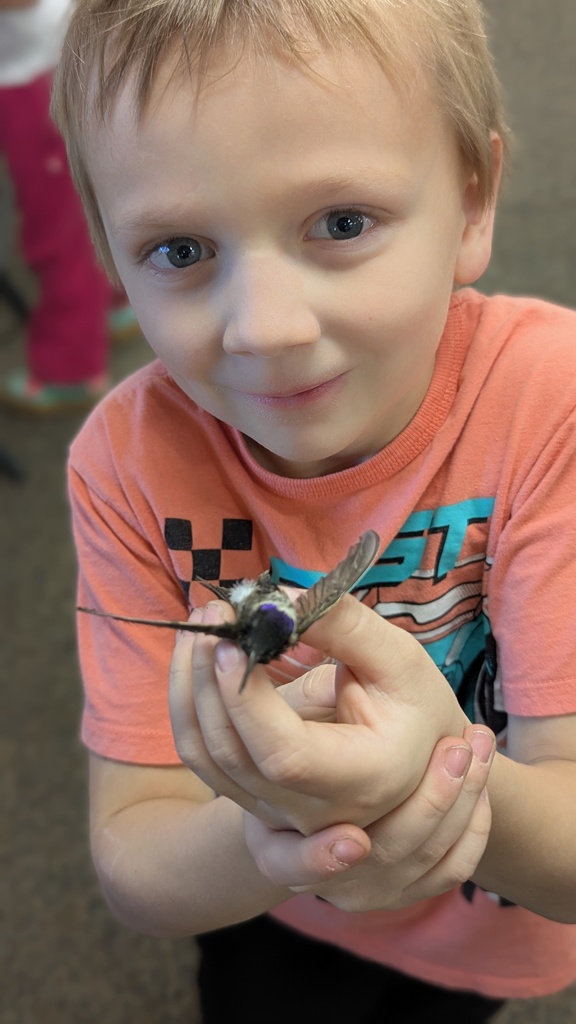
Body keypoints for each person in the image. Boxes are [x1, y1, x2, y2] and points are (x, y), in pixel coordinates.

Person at [52, 0, 576, 1020]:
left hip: (494, 901)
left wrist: (422, 780)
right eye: (180, 249)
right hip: (270, 903)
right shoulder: (125, 467)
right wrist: (268, 833)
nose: (266, 329)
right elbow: (135, 853)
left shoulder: (552, 405)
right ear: (112, 256)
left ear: (472, 204)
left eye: (341, 224)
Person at [0, 0, 138, 415]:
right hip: (46, 56)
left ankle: (71, 369)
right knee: (86, 201)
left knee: (57, 232)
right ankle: (117, 301)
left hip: (32, 70)